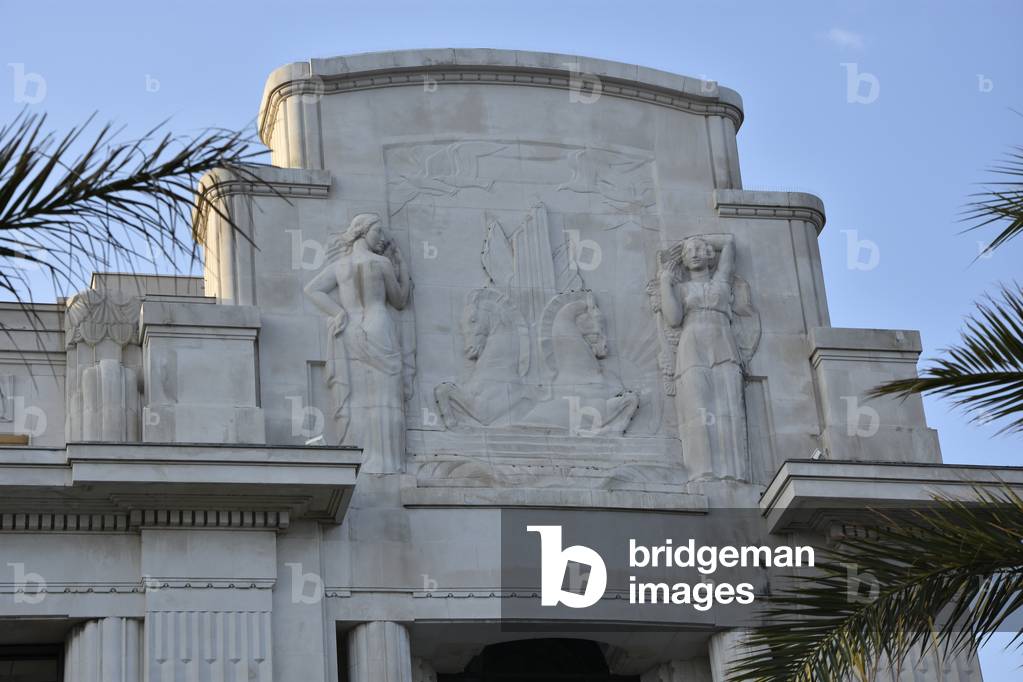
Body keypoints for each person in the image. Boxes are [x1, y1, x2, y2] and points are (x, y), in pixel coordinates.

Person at [304, 213, 411, 473]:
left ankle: (363, 455)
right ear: (363, 232)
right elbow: (399, 300)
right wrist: (404, 272)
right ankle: (387, 461)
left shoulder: (341, 266)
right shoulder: (381, 264)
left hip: (351, 328)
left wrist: (338, 312)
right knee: (386, 397)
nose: (383, 239)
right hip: (379, 326)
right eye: (378, 232)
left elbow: (312, 289)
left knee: (360, 396)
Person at [658, 234, 749, 481]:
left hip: (723, 343)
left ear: (710, 254)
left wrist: (688, 241)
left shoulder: (721, 280)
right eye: (689, 251)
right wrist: (665, 281)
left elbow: (729, 242)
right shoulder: (681, 288)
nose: (695, 253)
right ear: (683, 261)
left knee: (729, 405)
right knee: (698, 407)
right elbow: (673, 318)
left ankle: (734, 473)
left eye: (700, 249)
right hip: (692, 344)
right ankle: (702, 472)